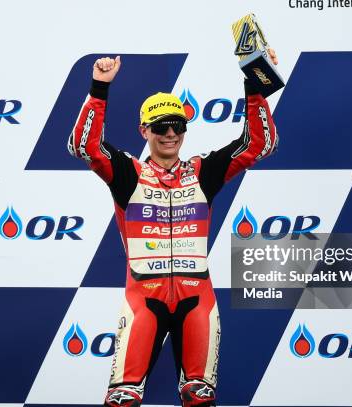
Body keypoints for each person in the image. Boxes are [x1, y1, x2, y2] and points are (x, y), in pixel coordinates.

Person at [68, 52, 278, 407]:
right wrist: (99, 88)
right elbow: (82, 146)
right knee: (123, 398)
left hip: (197, 300)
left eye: (178, 126)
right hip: (143, 301)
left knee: (199, 398)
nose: (170, 134)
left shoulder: (203, 172)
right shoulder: (128, 173)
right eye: (161, 126)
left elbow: (261, 144)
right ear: (144, 131)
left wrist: (254, 82)